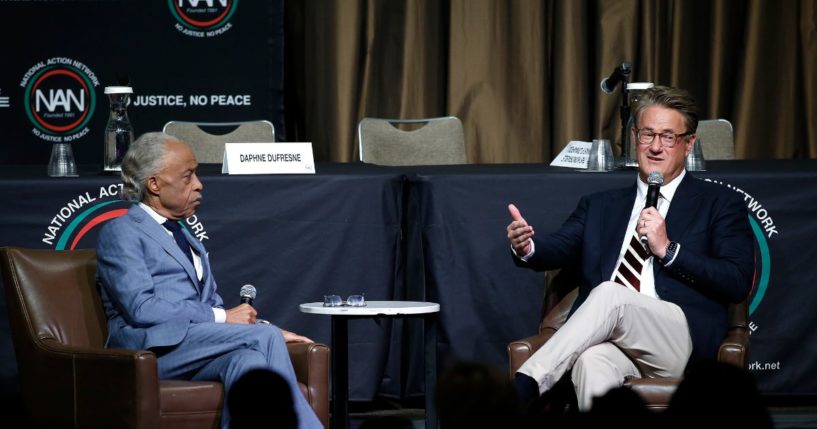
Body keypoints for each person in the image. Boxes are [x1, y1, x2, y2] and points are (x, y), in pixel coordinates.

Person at [506, 85, 754, 411]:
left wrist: (668, 249)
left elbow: (735, 280)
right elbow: (556, 248)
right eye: (647, 134)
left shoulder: (720, 204)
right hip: (613, 343)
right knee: (591, 363)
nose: (655, 147)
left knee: (612, 294)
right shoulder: (600, 206)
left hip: (679, 342)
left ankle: (524, 388)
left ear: (688, 143)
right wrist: (527, 246)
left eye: (668, 137)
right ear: (634, 137)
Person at [96, 132, 323, 429]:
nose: (199, 184)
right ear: (154, 184)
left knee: (249, 362)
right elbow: (142, 307)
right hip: (150, 351)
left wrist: (260, 327)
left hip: (195, 345)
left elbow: (213, 307)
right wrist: (230, 320)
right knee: (263, 341)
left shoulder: (187, 237)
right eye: (188, 176)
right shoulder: (122, 231)